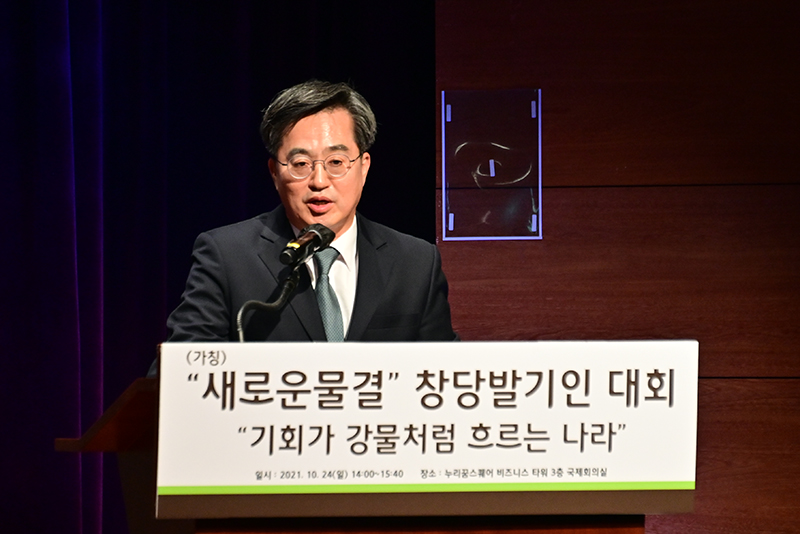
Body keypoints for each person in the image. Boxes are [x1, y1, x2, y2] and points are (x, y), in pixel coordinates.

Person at [162, 80, 456, 353]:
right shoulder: (227, 257)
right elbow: (180, 372)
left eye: (336, 162)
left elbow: (445, 375)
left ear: (364, 167)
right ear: (274, 172)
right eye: (300, 163)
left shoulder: (415, 263)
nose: (319, 181)